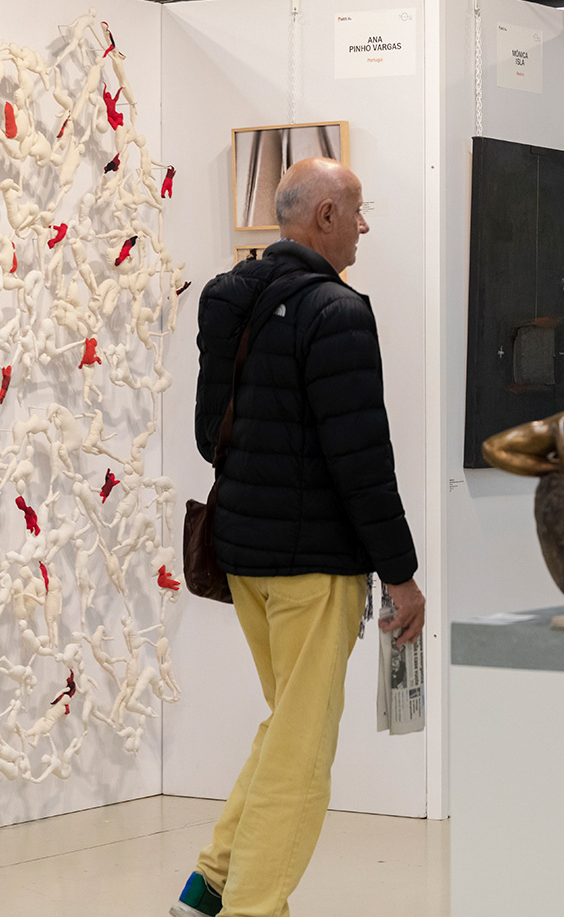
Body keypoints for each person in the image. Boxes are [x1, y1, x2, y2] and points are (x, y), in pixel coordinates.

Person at [175, 158, 424, 917]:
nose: (364, 224)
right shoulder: (337, 312)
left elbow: (205, 433)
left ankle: (210, 884)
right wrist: (401, 573)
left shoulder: (227, 298)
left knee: (287, 727)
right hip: (313, 571)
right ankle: (254, 907)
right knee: (304, 755)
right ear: (322, 217)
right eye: (356, 209)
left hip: (244, 560)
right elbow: (361, 460)